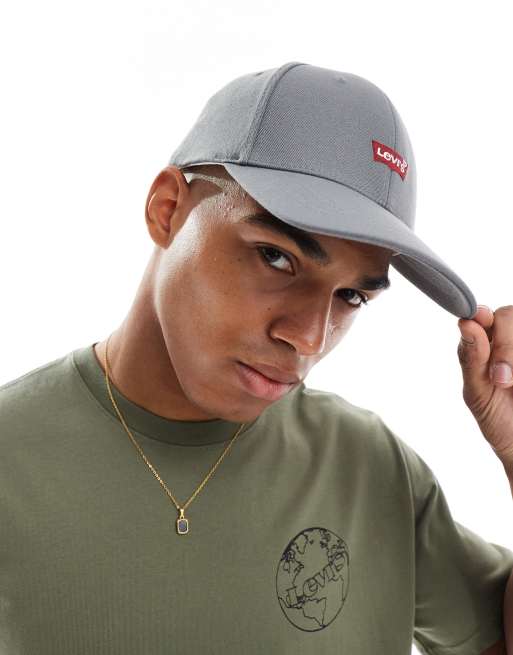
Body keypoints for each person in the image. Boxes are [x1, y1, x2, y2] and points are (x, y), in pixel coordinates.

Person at [1, 62, 511, 655]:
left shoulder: (368, 467)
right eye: (275, 257)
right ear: (168, 209)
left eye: (351, 296)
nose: (309, 338)